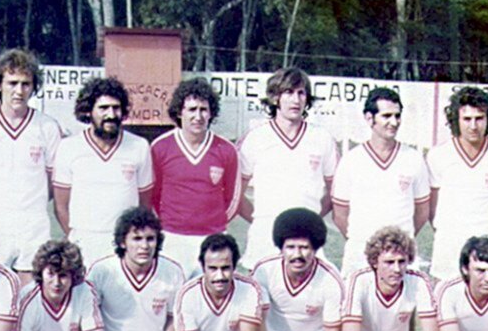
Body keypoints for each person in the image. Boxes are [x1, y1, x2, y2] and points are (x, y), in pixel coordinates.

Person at [0, 49, 65, 286]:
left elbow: (53, 180)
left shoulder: (47, 127)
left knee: (30, 294)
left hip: (33, 221)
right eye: (12, 83)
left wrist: (30, 201)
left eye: (26, 84)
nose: (19, 91)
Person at [237, 67, 339, 271]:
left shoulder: (322, 138)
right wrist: (263, 217)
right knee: (262, 300)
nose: (296, 100)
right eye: (289, 92)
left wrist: (312, 218)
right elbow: (234, 194)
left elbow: (337, 191)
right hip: (264, 239)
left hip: (307, 239)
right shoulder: (255, 138)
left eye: (301, 93)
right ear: (275, 97)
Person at [53, 77, 153, 263]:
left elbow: (145, 203)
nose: (111, 114)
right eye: (103, 108)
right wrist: (76, 237)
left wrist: (130, 240)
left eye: (116, 108)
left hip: (124, 244)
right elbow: (60, 205)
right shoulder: (69, 147)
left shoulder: (139, 146)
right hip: (84, 241)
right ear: (89, 111)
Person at [333, 88, 430, 275]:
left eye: (397, 116)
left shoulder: (413, 159)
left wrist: (398, 242)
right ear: (369, 118)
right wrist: (367, 243)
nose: (393, 122)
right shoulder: (351, 160)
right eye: (386, 116)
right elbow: (340, 214)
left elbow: (422, 212)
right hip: (359, 257)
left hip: (400, 258)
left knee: (406, 304)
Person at [150, 77, 241, 275]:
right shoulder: (160, 147)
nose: (198, 116)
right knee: (171, 300)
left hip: (212, 238)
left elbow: (233, 198)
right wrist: (169, 223)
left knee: (210, 299)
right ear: (180, 112)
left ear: (211, 113)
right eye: (192, 109)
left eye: (203, 109)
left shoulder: (226, 149)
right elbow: (153, 195)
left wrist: (213, 223)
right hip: (172, 238)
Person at [426, 86, 488, 281]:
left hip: (486, 240)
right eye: (467, 119)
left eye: (479, 118)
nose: (473, 126)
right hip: (448, 242)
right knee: (444, 304)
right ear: (456, 120)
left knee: (486, 306)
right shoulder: (438, 155)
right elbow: (433, 208)